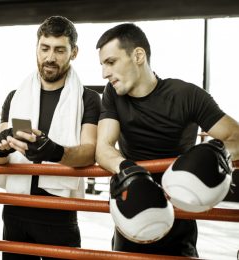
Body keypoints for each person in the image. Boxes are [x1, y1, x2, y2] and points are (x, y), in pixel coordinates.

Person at [95, 23, 239, 257]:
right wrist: (130, 171)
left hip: (180, 213)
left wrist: (214, 155)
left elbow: (236, 136)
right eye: (102, 65)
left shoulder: (187, 95)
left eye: (111, 62)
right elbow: (103, 148)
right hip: (131, 210)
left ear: (138, 55)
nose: (104, 73)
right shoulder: (113, 93)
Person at [0, 16, 100, 260]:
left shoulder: (87, 99)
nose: (50, 57)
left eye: (60, 50)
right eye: (45, 48)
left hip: (59, 212)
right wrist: (1, 145)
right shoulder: (15, 96)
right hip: (16, 209)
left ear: (74, 52)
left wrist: (56, 152)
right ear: (36, 48)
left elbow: (90, 150)